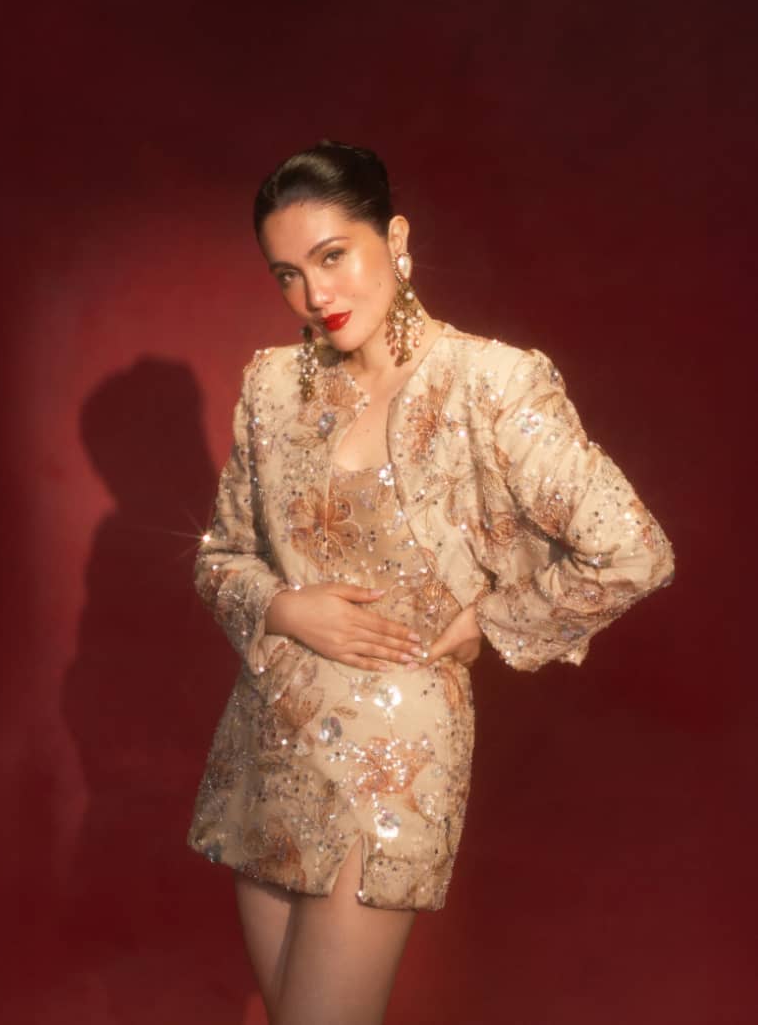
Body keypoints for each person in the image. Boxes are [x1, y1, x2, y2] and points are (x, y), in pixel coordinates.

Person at [187, 139, 675, 1025]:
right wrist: (285, 606)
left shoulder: (489, 383)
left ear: (396, 239)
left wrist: (492, 619)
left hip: (392, 750)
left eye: (333, 256)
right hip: (265, 739)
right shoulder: (272, 387)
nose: (315, 295)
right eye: (288, 274)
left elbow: (632, 549)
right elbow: (220, 555)